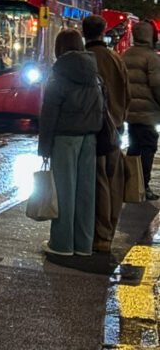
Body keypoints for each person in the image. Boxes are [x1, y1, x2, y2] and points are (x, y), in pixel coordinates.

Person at [37, 28, 104, 260]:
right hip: (90, 138)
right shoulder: (94, 74)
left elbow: (49, 113)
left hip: (65, 138)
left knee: (64, 191)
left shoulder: (59, 75)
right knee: (86, 193)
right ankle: (83, 245)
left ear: (60, 48)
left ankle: (62, 244)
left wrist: (44, 148)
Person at [82, 14, 130, 253]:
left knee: (98, 181)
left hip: (96, 128)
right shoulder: (116, 58)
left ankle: (99, 235)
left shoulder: (85, 59)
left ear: (84, 33)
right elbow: (127, 93)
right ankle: (108, 231)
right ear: (103, 33)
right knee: (114, 182)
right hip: (116, 128)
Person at [122, 20, 160, 199]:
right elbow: (157, 85)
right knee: (148, 146)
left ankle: (130, 184)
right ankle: (143, 186)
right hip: (147, 111)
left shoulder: (125, 55)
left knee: (134, 147)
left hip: (130, 111)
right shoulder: (151, 58)